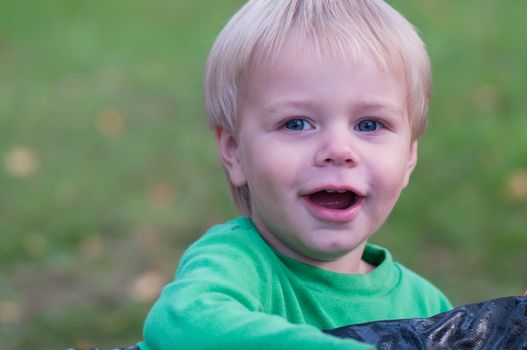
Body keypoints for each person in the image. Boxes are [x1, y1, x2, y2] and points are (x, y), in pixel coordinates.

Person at [138, 0, 452, 349]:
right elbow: (182, 325)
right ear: (234, 151)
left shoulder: (428, 308)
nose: (338, 149)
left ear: (409, 155)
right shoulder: (236, 265)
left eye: (369, 124)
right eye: (297, 123)